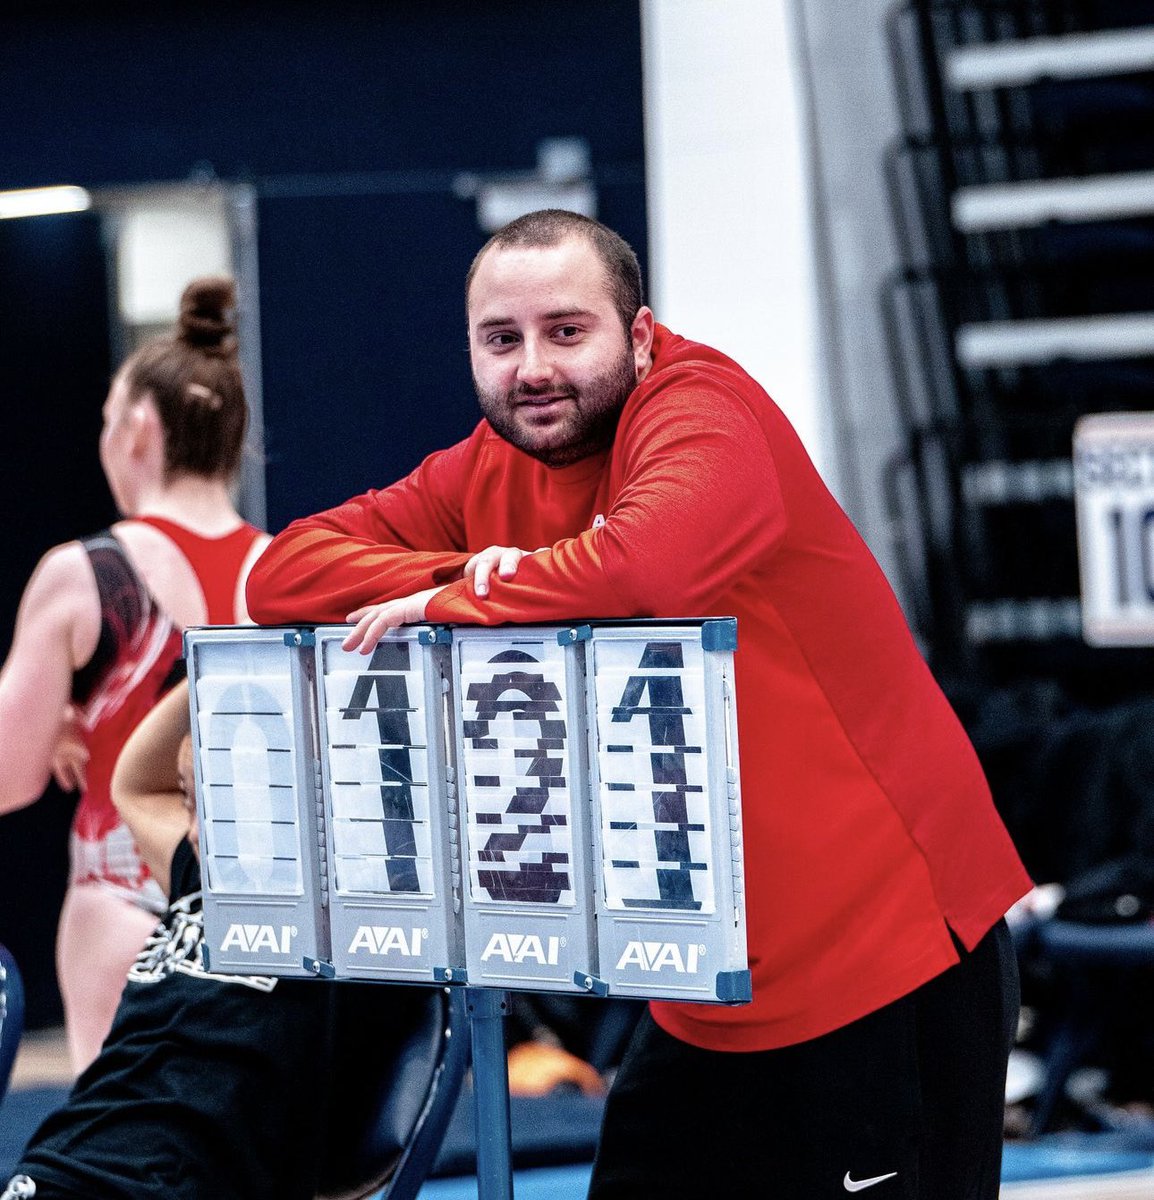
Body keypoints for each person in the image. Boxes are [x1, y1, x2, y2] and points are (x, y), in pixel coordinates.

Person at [245, 210, 1033, 1198]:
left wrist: (470, 593)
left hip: (887, 957)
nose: (532, 367)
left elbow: (646, 566)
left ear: (641, 334)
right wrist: (465, 568)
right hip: (710, 981)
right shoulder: (486, 469)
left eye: (567, 331)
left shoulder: (701, 409)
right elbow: (282, 573)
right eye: (502, 339)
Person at [0, 277, 268, 1072]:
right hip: (260, 908)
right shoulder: (283, 570)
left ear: (142, 427)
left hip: (125, 894)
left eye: (107, 421)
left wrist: (46, 724)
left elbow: (8, 778)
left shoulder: (84, 573)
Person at [2, 683, 341, 1200]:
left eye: (222, 800)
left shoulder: (352, 927)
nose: (194, 831)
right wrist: (224, 665)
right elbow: (134, 784)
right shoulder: (198, 880)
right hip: (56, 1170)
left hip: (163, 1185)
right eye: (189, 801)